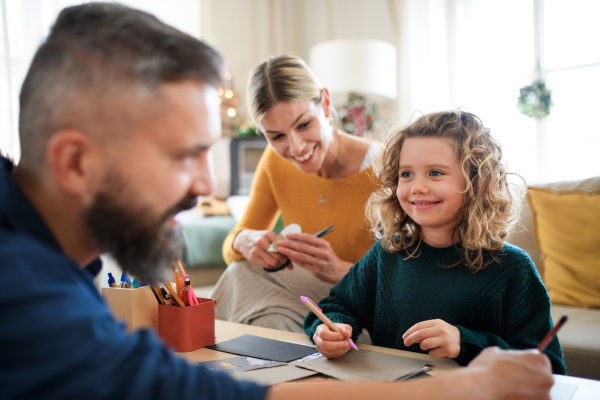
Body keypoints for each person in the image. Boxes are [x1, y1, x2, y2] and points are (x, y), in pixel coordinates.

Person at [0, 3, 555, 399]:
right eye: (182, 155)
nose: (203, 186)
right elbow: (158, 380)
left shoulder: (57, 273)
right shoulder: (24, 288)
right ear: (75, 163)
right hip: (351, 333)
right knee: (240, 276)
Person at [306, 110, 566, 374]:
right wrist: (328, 329)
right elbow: (335, 306)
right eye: (406, 174)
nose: (417, 186)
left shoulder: (513, 268)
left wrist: (466, 343)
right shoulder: (388, 252)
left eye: (435, 173)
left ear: (476, 181)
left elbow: (549, 367)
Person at [212, 54, 381, 333]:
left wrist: (340, 271)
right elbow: (234, 245)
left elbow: (408, 284)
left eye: (304, 124)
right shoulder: (274, 162)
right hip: (309, 301)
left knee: (255, 304)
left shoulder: (384, 166)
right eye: (276, 137)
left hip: (365, 303)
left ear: (325, 104)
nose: (296, 147)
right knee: (242, 276)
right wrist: (242, 240)